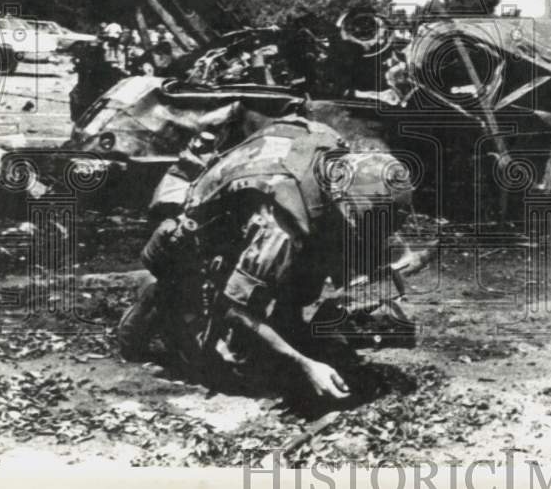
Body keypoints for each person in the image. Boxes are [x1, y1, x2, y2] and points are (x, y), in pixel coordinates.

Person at [119, 117, 414, 403]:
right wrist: (305, 364)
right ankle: (164, 301)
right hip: (199, 237)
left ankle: (285, 322)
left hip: (243, 206)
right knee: (235, 365)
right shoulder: (281, 226)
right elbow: (236, 307)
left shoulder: (336, 158)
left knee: (318, 255)